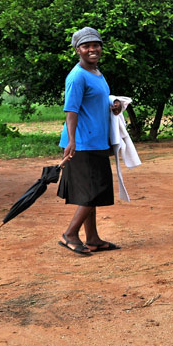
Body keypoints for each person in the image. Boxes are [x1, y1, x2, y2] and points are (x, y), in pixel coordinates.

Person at [57, 27, 122, 255]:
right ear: (78, 50)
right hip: (82, 144)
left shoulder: (96, 73)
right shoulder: (77, 76)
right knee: (92, 192)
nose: (92, 49)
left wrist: (113, 104)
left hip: (97, 141)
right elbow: (71, 110)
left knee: (93, 192)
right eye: (86, 46)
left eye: (96, 45)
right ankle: (70, 234)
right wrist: (71, 141)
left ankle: (92, 238)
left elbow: (96, 102)